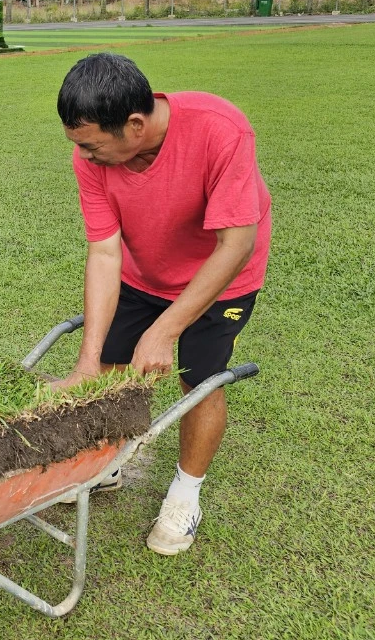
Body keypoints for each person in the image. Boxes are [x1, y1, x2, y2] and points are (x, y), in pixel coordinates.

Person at [55, 52, 270, 554]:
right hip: (143, 270)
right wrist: (87, 361)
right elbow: (105, 250)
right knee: (107, 364)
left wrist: (165, 330)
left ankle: (185, 494)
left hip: (220, 276)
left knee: (198, 380)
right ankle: (105, 463)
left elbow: (235, 244)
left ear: (134, 124)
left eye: (91, 146)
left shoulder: (221, 130)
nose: (84, 157)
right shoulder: (90, 155)